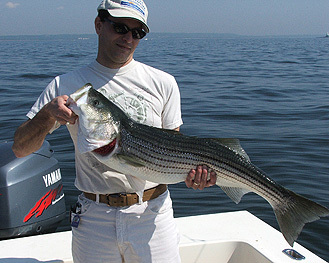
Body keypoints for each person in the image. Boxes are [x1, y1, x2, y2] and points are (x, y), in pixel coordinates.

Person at [12, 0, 216, 262]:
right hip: (94, 218)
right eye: (120, 27)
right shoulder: (66, 85)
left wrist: (195, 176)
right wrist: (47, 115)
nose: (128, 38)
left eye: (138, 32)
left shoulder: (163, 82)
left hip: (152, 215)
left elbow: (175, 147)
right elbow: (20, 149)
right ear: (99, 25)